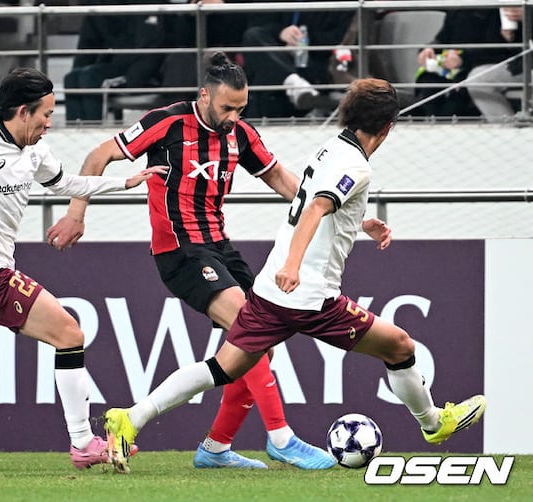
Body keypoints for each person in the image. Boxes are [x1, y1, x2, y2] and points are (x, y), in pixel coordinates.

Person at [100, 78, 487, 474]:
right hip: (311, 297)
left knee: (223, 367)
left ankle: (132, 417)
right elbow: (317, 207)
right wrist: (294, 265)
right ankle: (433, 424)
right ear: (388, 127)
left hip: (270, 291)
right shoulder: (357, 166)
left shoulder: (331, 148)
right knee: (400, 346)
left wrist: (359, 223)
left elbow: (317, 199)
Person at [47, 52, 334, 471]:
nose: (234, 117)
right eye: (227, 108)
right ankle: (281, 438)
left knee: (261, 348)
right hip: (180, 250)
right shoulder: (167, 123)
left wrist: (328, 208)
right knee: (250, 329)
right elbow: (98, 156)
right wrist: (77, 213)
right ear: (204, 95)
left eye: (241, 108)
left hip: (221, 247)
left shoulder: (240, 134)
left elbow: (277, 176)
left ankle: (215, 448)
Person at [0, 67, 165, 470]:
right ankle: (83, 443)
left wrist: (124, 182)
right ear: (22, 112)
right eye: (46, 114)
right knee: (70, 333)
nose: (50, 123)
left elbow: (66, 183)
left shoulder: (34, 152)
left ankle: (83, 443)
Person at [241, 1, 354, 118]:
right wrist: (281, 33)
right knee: (253, 36)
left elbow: (339, 38)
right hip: (278, 57)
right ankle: (295, 84)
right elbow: (257, 24)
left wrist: (305, 40)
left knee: (268, 72)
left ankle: (297, 87)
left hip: (315, 61)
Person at [63, 1, 165, 122]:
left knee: (90, 77)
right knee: (71, 78)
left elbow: (153, 53)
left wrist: (131, 80)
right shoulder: (101, 7)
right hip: (118, 63)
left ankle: (93, 128)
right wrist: (78, 73)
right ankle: (75, 129)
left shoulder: (151, 6)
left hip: (146, 72)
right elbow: (87, 47)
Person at [413, 8, 518, 117]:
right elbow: (442, 39)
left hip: (479, 65)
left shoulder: (495, 10)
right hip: (452, 67)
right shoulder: (456, 10)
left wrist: (462, 59)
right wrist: (428, 49)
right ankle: (432, 122)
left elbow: (496, 49)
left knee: (457, 96)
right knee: (428, 82)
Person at [465, 7, 532, 120]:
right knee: (478, 79)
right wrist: (511, 38)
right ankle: (507, 129)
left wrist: (530, 16)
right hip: (525, 65)